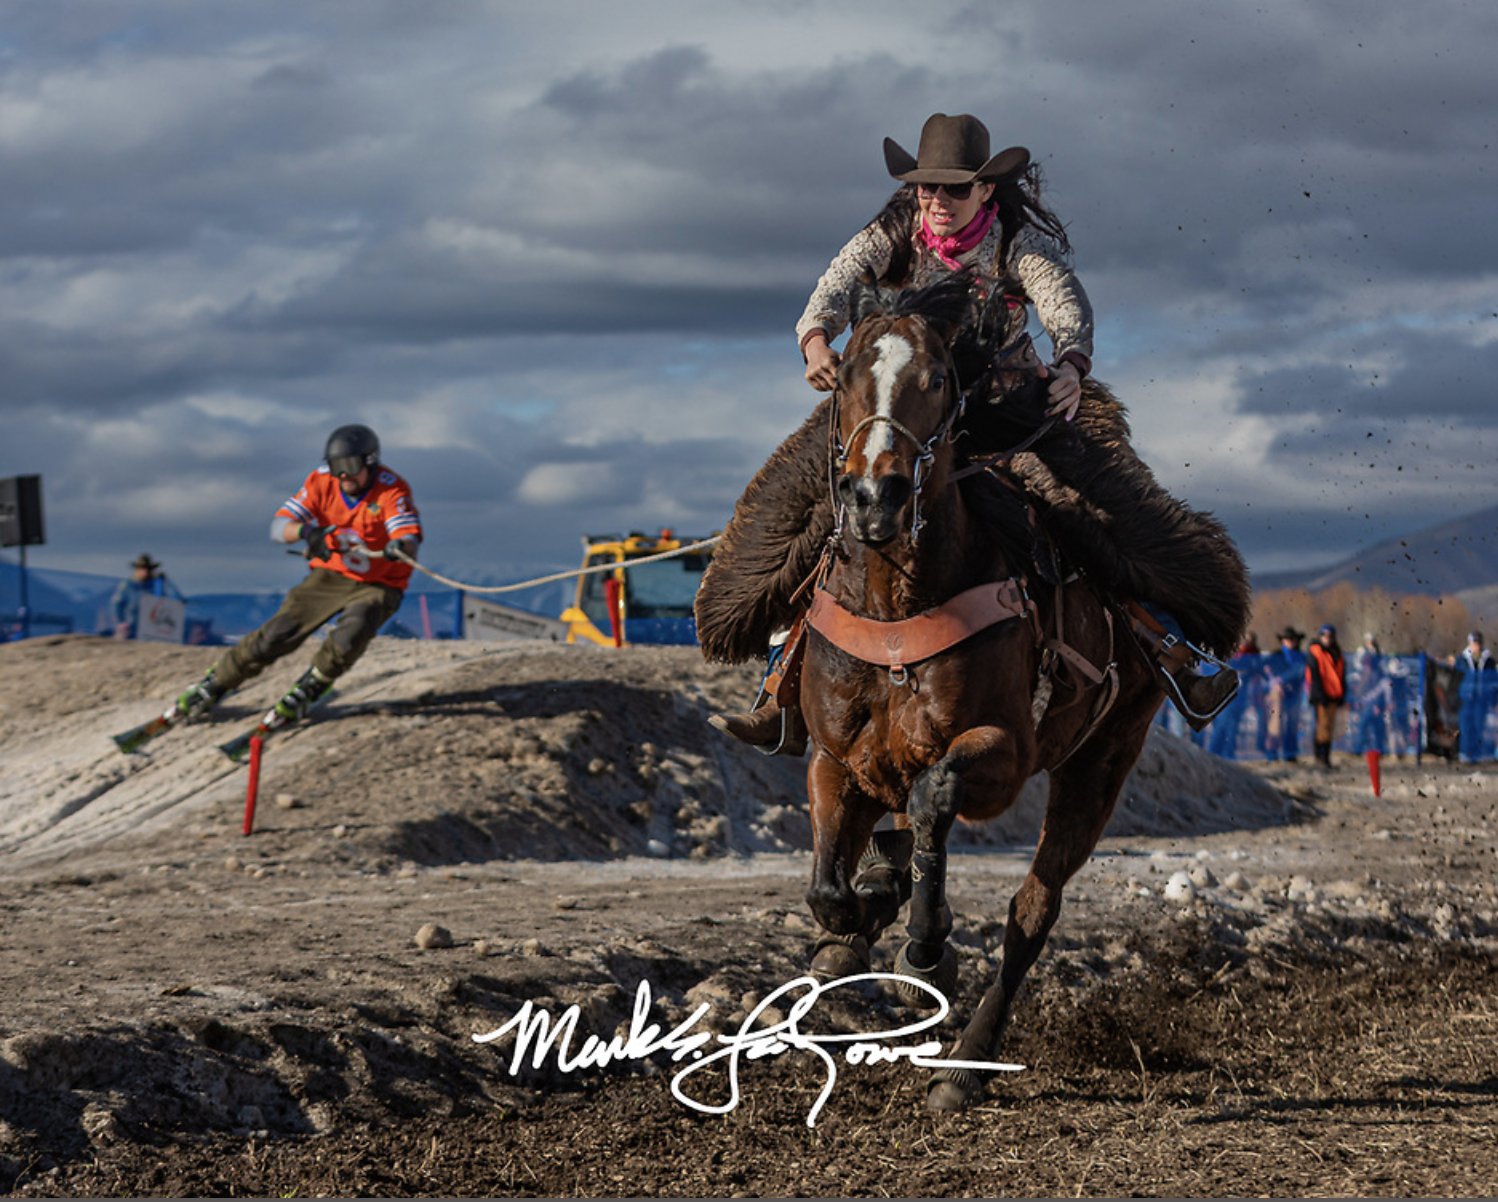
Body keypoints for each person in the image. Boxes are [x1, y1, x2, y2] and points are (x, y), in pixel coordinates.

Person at [709, 112, 1243, 751]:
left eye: (954, 189)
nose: (937, 200)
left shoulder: (1018, 245)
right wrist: (816, 338)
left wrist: (1072, 363)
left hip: (1002, 406)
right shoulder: (892, 232)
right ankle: (778, 686)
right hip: (899, 405)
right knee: (800, 509)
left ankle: (1175, 654)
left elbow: (1063, 299)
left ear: (986, 191)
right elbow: (837, 281)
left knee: (1087, 509)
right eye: (927, 187)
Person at [168, 424, 422, 726]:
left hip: (381, 581)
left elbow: (407, 534)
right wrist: (306, 532)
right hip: (331, 575)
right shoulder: (320, 481)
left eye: (351, 467)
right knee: (277, 634)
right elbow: (278, 528)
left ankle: (314, 684)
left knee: (353, 631)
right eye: (336, 467)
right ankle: (215, 683)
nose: (344, 476)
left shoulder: (391, 489)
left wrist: (399, 545)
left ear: (370, 462)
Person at [1263, 626, 1307, 762]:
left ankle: (1290, 754)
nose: (1290, 642)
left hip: (1294, 694)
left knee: (1292, 724)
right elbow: (1264, 669)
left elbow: (1300, 672)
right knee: (1275, 724)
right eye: (1287, 639)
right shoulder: (1275, 656)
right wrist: (1274, 682)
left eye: (1292, 639)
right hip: (1278, 694)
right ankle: (1272, 753)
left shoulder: (1300, 657)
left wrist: (1282, 679)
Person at [1306, 624, 1346, 769]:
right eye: (1324, 636)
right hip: (1321, 696)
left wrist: (1342, 694)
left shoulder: (1337, 653)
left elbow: (1341, 675)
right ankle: (1318, 757)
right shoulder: (1315, 652)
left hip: (1334, 695)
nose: (1327, 639)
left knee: (1329, 728)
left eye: (1330, 636)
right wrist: (1319, 695)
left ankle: (1326, 758)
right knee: (1321, 728)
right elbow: (1314, 676)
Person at [1456, 630, 1497, 763]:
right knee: (1467, 727)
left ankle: (1480, 753)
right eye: (1474, 643)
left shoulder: (1488, 661)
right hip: (1466, 701)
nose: (1476, 646)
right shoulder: (1462, 660)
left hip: (1482, 700)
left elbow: (1493, 681)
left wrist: (1492, 698)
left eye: (1478, 643)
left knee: (1480, 727)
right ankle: (1466, 753)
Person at [110, 554, 169, 639]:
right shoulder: (128, 585)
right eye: (142, 568)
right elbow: (118, 603)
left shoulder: (155, 585)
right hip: (130, 623)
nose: (145, 572)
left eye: (148, 569)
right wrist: (121, 621)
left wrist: (160, 582)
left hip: (150, 624)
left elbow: (162, 600)